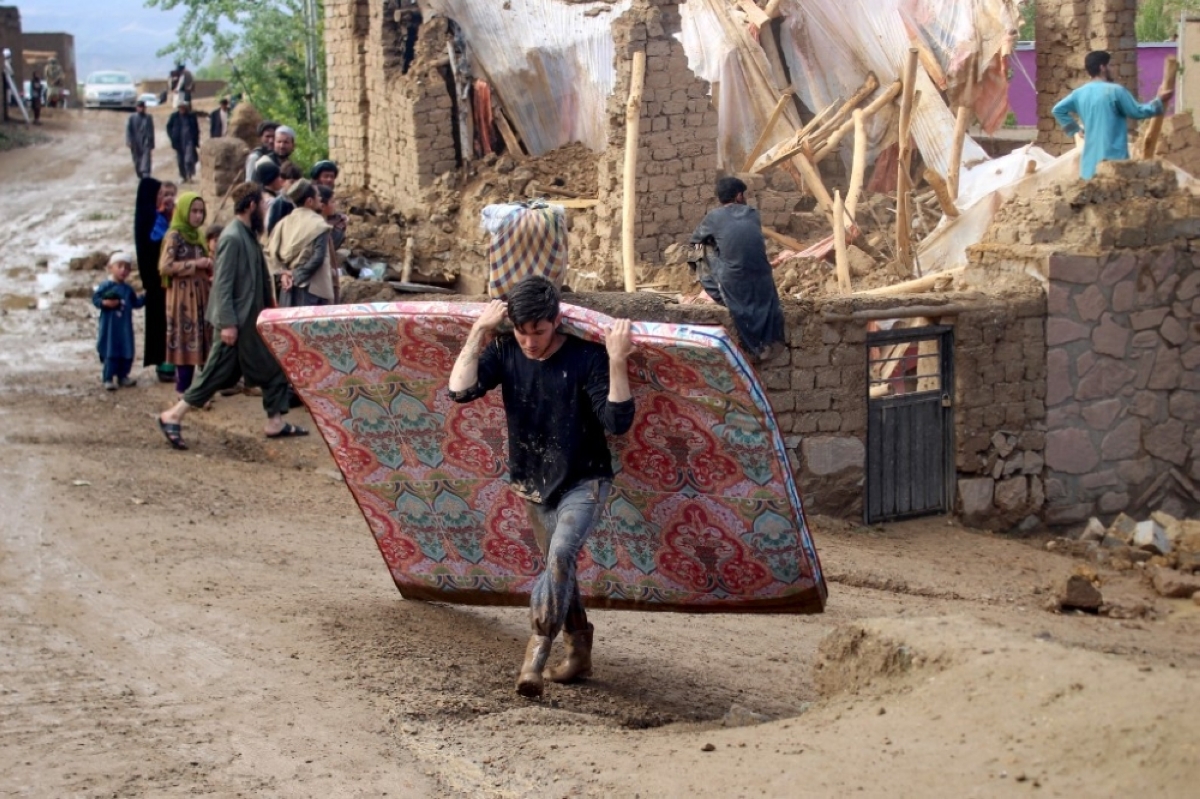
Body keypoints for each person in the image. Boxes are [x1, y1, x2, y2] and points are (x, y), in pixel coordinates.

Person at [448, 275, 635, 698]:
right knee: (559, 566)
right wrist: (480, 330)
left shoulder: (587, 358)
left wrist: (617, 360)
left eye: (539, 332)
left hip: (585, 479)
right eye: (521, 331)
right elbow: (458, 390)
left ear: (556, 322)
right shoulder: (506, 351)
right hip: (533, 482)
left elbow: (617, 421)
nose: (530, 342)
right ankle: (580, 653)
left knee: (562, 552)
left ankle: (536, 652)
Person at [156, 182, 306, 450]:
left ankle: (275, 421)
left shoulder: (247, 235)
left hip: (251, 325)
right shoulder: (232, 237)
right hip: (235, 327)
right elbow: (223, 285)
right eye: (261, 204)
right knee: (213, 375)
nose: (264, 209)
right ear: (250, 206)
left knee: (273, 369)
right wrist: (227, 324)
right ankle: (173, 415)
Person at [689, 176, 786, 362]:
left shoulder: (713, 217)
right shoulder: (753, 214)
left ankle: (717, 293)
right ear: (739, 196)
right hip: (763, 282)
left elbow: (695, 242)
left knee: (700, 251)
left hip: (734, 283)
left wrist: (696, 267)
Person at [1053, 50, 1173, 180]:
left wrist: (1075, 129)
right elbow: (1138, 112)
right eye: (1109, 65)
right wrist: (1159, 101)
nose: (1112, 69)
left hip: (1089, 164)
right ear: (1102, 67)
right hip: (1114, 161)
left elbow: (1057, 110)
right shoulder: (1116, 91)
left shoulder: (1079, 94)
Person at [158, 192, 214, 396]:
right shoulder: (174, 236)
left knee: (203, 339)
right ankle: (183, 390)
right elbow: (165, 267)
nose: (198, 216)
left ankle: (200, 391)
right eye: (194, 211)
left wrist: (208, 265)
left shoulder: (198, 235)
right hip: (182, 297)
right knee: (186, 340)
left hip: (201, 294)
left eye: (201, 211)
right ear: (183, 212)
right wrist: (194, 264)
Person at [134, 178, 178, 383]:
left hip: (161, 281)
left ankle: (168, 364)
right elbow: (158, 243)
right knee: (162, 323)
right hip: (157, 281)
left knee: (168, 322)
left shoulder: (154, 215)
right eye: (159, 193)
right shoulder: (149, 218)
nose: (163, 197)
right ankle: (164, 365)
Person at [268, 179, 338, 307]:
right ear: (309, 201)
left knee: (290, 325)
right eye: (317, 196)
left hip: (287, 287)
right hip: (312, 290)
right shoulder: (318, 224)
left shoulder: (283, 223)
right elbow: (318, 257)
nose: (320, 199)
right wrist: (296, 275)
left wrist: (284, 274)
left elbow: (271, 254)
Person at [92, 252, 145, 390]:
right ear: (110, 267)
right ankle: (108, 378)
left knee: (126, 350)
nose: (123, 270)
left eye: (127, 267)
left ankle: (123, 376)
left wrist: (147, 297)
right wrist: (105, 303)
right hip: (110, 328)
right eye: (119, 266)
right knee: (111, 351)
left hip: (125, 328)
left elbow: (135, 303)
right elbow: (96, 299)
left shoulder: (128, 289)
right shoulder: (106, 286)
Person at [166, 101, 200, 183]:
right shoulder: (174, 116)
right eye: (180, 108)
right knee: (180, 160)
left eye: (183, 108)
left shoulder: (191, 117)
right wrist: (172, 136)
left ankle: (189, 175)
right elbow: (168, 127)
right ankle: (183, 176)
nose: (182, 109)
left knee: (189, 159)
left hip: (189, 141)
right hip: (179, 142)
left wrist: (196, 140)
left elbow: (196, 129)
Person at [266, 162, 302, 237]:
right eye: (291, 182)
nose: (295, 186)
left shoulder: (299, 201)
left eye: (298, 183)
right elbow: (273, 230)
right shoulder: (279, 204)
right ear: (282, 181)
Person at [126, 100, 155, 179]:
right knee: (137, 161)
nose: (141, 109)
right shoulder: (132, 118)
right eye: (140, 107)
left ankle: (146, 176)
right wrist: (128, 141)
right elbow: (128, 130)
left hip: (146, 142)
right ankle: (140, 175)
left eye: (143, 107)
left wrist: (152, 143)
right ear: (137, 108)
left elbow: (151, 130)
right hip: (135, 143)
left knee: (146, 161)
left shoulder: (148, 117)